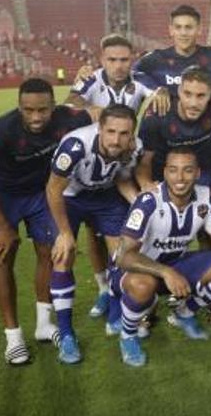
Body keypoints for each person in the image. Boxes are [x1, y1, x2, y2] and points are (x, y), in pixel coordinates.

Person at [0, 78, 92, 364]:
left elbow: (95, 112)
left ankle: (43, 325)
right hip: (4, 196)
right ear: (19, 107)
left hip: (40, 194)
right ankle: (13, 338)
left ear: (54, 106)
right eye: (28, 110)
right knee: (5, 256)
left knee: (49, 253)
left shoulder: (68, 119)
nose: (36, 117)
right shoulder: (0, 131)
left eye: (43, 110)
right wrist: (3, 226)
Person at [64, 34, 169, 320]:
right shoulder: (91, 80)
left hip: (121, 165)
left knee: (125, 233)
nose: (119, 66)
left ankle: (131, 291)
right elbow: (70, 100)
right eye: (112, 60)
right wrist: (88, 107)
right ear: (102, 60)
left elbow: (158, 91)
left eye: (124, 59)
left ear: (131, 59)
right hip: (89, 163)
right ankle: (103, 289)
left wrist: (160, 96)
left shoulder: (140, 80)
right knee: (93, 234)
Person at [113, 147, 211, 367]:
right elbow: (124, 257)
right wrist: (166, 272)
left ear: (197, 173)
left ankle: (185, 312)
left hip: (175, 264)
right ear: (165, 172)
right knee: (143, 285)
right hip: (134, 271)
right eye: (173, 170)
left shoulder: (205, 197)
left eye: (187, 170)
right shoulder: (148, 202)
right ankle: (128, 337)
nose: (180, 178)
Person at [45, 104, 143, 363]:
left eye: (124, 133)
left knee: (122, 257)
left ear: (132, 133)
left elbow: (122, 177)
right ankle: (66, 335)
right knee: (63, 255)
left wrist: (139, 204)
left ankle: (114, 317)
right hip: (70, 199)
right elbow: (53, 189)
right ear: (99, 129)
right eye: (110, 131)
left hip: (105, 198)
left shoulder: (135, 147)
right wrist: (65, 233)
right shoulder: (75, 146)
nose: (116, 139)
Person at [137, 65, 211, 190]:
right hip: (164, 174)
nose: (193, 103)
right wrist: (146, 185)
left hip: (205, 172)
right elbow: (143, 162)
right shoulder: (157, 113)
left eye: (201, 96)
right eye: (188, 94)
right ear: (179, 91)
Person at [133, 5, 211, 98]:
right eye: (178, 27)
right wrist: (154, 89)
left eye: (188, 27)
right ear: (171, 30)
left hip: (207, 121)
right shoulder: (157, 58)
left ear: (199, 29)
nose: (183, 33)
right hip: (168, 121)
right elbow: (133, 72)